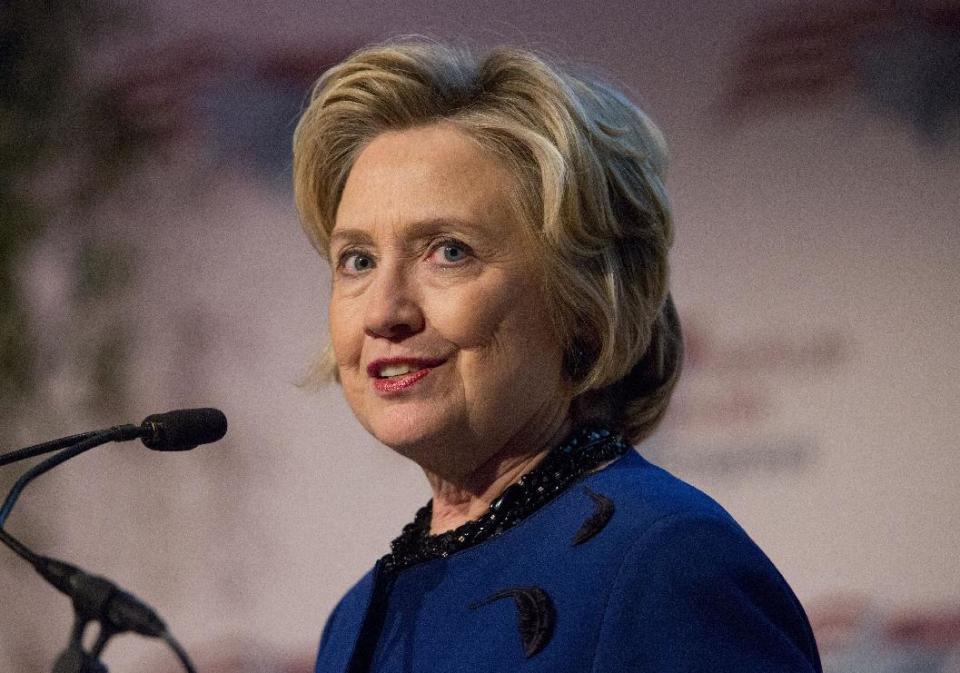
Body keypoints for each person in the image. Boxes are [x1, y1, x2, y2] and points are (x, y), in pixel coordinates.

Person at [292, 40, 822, 673]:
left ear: (581, 299)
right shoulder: (357, 621)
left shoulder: (664, 561)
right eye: (358, 260)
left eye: (449, 251)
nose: (384, 312)